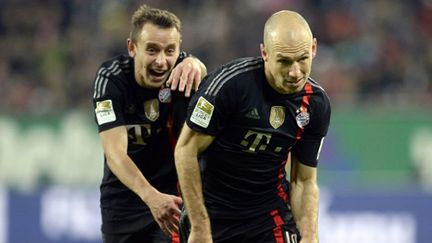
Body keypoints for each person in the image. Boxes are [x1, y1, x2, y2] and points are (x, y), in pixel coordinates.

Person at [175, 10, 330, 243]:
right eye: (284, 61)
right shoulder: (229, 86)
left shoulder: (316, 104)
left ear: (314, 48)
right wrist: (199, 225)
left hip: (269, 216)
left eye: (302, 59)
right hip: (214, 214)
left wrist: (309, 238)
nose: (295, 72)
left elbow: (304, 180)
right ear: (264, 53)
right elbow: (185, 150)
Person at [92, 4, 206, 243]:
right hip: (123, 203)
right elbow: (115, 155)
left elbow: (210, 82)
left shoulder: (184, 70)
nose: (162, 62)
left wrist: (197, 65)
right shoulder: (110, 81)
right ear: (132, 48)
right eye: (152, 50)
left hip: (173, 201)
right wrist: (151, 197)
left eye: (170, 51)